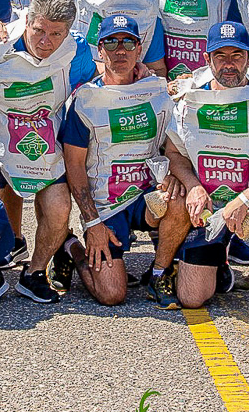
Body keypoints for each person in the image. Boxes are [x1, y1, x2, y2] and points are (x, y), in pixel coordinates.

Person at [0, 0, 96, 305]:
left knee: (60, 208)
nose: (45, 41)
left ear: (68, 31)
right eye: (39, 30)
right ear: (28, 20)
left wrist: (136, 73)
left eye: (55, 34)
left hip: (46, 147)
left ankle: (34, 272)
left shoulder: (77, 51)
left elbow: (98, 81)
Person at [165, 21, 249, 322]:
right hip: (209, 207)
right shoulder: (187, 99)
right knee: (191, 298)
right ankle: (220, 264)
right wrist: (192, 186)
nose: (229, 64)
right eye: (221, 56)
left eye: (237, 55)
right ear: (207, 59)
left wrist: (243, 200)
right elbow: (173, 153)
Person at [60, 16, 190, 307]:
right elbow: (75, 167)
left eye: (128, 42)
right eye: (111, 42)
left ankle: (159, 273)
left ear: (139, 49)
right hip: (105, 205)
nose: (120, 50)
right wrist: (92, 223)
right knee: (112, 294)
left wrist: (171, 176)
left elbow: (174, 144)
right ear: (100, 51)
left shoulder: (156, 91)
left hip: (145, 196)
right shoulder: (86, 99)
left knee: (179, 199)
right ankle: (71, 248)